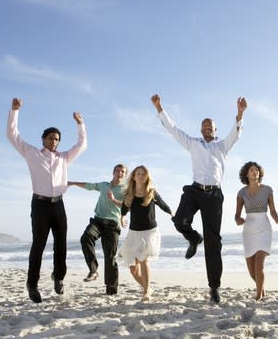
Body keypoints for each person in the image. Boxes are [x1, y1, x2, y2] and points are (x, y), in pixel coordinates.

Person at [150, 94, 247, 304]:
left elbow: (236, 134)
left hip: (214, 195)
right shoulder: (193, 143)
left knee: (214, 242)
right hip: (195, 190)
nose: (207, 129)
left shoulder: (222, 145)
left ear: (215, 130)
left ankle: (214, 287)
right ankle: (194, 238)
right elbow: (174, 130)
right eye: (204, 126)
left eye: (210, 126)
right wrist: (160, 108)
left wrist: (240, 113)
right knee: (180, 220)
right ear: (200, 130)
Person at [6, 97, 87, 303]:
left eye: (57, 139)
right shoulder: (32, 153)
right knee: (39, 245)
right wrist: (15, 110)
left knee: (61, 245)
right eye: (50, 138)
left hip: (58, 205)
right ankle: (32, 284)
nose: (54, 141)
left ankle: (58, 278)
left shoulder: (64, 158)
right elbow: (12, 135)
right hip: (40, 205)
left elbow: (82, 145)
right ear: (43, 139)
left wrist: (80, 124)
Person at [68, 164, 128, 295]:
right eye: (118, 170)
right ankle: (93, 271)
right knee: (86, 238)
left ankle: (111, 290)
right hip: (98, 220)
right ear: (113, 172)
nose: (120, 173)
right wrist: (72, 183)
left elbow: (127, 205)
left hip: (112, 225)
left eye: (123, 172)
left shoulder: (126, 190)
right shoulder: (104, 185)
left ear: (125, 175)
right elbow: (89, 186)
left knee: (110, 257)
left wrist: (114, 202)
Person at [118, 166, 174, 301]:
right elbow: (124, 209)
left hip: (149, 232)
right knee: (132, 268)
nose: (141, 176)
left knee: (144, 259)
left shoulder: (151, 192)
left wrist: (171, 213)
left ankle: (146, 292)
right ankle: (147, 288)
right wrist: (122, 218)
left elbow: (162, 204)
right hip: (133, 232)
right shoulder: (129, 194)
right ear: (134, 177)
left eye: (143, 174)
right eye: (138, 174)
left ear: (147, 177)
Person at [234, 161, 278, 301]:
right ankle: (262, 289)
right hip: (249, 230)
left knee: (259, 263)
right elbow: (237, 215)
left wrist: (276, 217)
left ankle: (258, 296)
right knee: (252, 271)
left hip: (264, 229)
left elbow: (273, 211)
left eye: (256, 170)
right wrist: (238, 220)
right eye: (252, 170)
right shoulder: (241, 193)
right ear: (246, 174)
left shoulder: (267, 190)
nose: (255, 172)